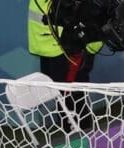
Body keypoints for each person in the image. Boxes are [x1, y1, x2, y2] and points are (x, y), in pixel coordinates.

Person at [27, 0, 102, 130]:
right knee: (63, 92)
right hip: (54, 42)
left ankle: (82, 130)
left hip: (74, 42)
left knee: (74, 90)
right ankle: (71, 130)